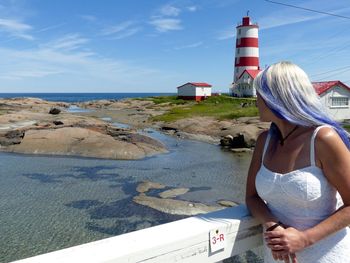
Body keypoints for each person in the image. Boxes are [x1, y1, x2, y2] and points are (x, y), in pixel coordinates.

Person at [245, 61, 350, 263]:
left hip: (326, 255)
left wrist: (304, 239)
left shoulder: (322, 139)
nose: (255, 100)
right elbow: (251, 197)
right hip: (277, 255)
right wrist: (272, 225)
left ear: (276, 97)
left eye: (259, 94)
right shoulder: (264, 141)